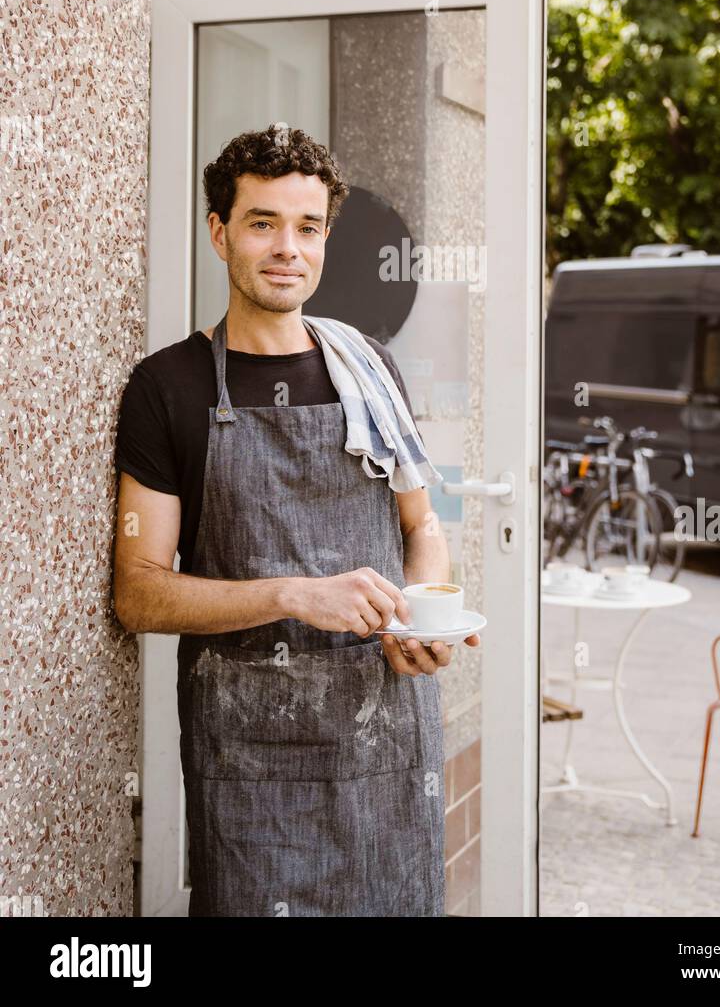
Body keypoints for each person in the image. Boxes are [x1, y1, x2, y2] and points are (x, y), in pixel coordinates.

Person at [113, 123, 480, 917]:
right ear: (221, 234)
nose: (289, 247)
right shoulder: (167, 387)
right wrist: (294, 594)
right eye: (263, 223)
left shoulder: (370, 368)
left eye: (307, 227)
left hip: (385, 745)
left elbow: (424, 529)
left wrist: (420, 619)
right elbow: (138, 594)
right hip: (250, 768)